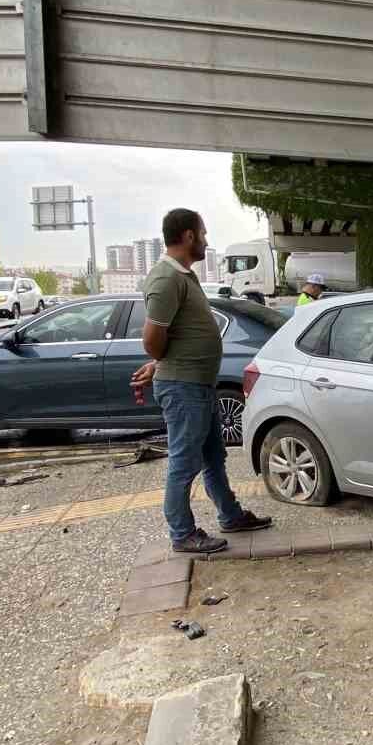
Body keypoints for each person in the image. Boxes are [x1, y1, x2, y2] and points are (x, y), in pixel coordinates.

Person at [130, 209, 272, 553]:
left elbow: (176, 335)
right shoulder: (166, 278)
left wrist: (159, 364)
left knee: (212, 455)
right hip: (184, 387)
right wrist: (163, 363)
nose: (207, 241)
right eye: (204, 234)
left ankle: (230, 514)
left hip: (196, 383)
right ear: (189, 235)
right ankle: (182, 533)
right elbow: (152, 338)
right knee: (184, 461)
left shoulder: (183, 275)